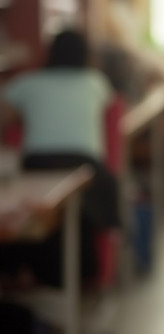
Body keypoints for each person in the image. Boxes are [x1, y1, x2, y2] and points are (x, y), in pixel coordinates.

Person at [0, 28, 119, 287]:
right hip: (85, 165)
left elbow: (4, 115)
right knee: (80, 217)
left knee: (35, 221)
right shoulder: (95, 82)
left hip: (38, 164)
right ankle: (82, 277)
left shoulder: (28, 83)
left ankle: (24, 273)